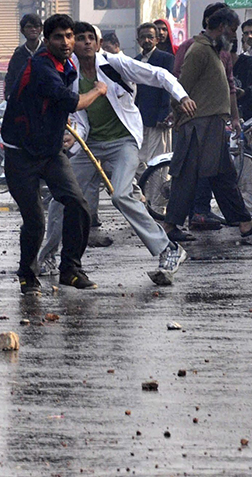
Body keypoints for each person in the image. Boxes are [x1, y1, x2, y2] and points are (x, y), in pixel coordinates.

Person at [36, 21, 192, 285]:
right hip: (90, 144)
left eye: (90, 38)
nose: (85, 42)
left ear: (97, 44)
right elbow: (77, 115)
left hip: (123, 143)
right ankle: (49, 255)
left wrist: (182, 96)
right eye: (80, 38)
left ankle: (169, 250)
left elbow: (160, 75)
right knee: (62, 196)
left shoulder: (113, 63)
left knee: (121, 195)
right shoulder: (69, 71)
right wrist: (70, 138)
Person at [1, 14, 105, 292]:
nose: (67, 41)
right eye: (59, 37)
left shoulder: (66, 64)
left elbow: (52, 106)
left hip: (49, 151)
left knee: (77, 204)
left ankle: (70, 269)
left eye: (70, 35)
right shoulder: (41, 66)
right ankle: (27, 275)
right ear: (46, 41)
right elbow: (74, 102)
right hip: (20, 154)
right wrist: (98, 89)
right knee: (35, 219)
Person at [164, 7, 252, 242]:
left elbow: (228, 88)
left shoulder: (214, 51)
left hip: (213, 124)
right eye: (233, 30)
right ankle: (170, 225)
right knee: (187, 175)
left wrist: (233, 117)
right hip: (198, 124)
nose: (235, 36)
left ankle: (244, 221)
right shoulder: (199, 50)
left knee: (223, 174)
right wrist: (179, 116)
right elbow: (180, 88)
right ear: (222, 28)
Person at [133, 21, 177, 171]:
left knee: (159, 162)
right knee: (139, 161)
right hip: (140, 119)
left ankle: (159, 194)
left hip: (159, 119)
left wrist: (163, 114)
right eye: (143, 37)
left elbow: (167, 88)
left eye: (150, 37)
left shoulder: (166, 59)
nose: (147, 40)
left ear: (157, 39)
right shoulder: (135, 61)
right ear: (138, 41)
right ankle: (143, 193)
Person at [3, 13, 44, 99]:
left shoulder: (48, 51)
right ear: (22, 30)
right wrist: (9, 96)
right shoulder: (18, 54)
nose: (33, 29)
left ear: (41, 29)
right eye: (29, 27)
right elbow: (10, 77)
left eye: (36, 26)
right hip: (24, 103)